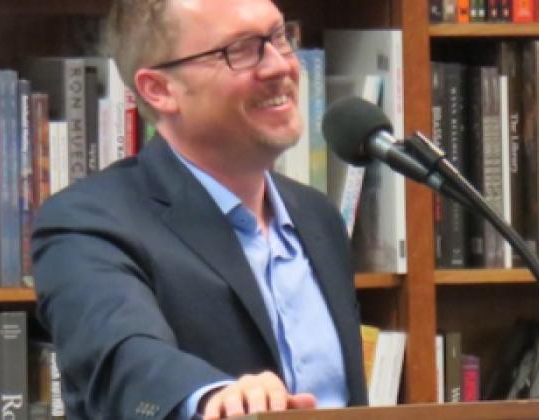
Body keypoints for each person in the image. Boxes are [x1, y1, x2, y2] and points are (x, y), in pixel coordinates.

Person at [31, 0, 367, 419]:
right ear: (160, 89)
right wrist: (211, 396)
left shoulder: (318, 217)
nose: (279, 66)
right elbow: (122, 353)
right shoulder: (87, 223)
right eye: (240, 50)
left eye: (279, 37)